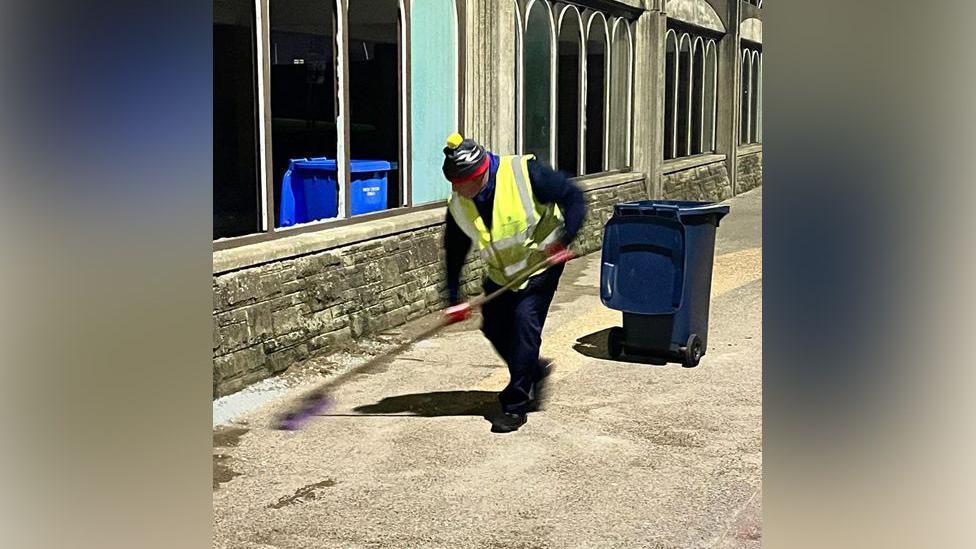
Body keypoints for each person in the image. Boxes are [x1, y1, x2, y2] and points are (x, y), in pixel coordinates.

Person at [440, 133, 586, 433]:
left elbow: (573, 197)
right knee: (493, 327)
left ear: (479, 174)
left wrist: (563, 240)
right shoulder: (459, 202)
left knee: (523, 327)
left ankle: (516, 404)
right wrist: (453, 298)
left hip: (539, 267)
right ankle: (533, 370)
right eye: (452, 183)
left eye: (460, 183)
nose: (456, 189)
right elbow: (454, 249)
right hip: (501, 274)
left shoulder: (525, 173)